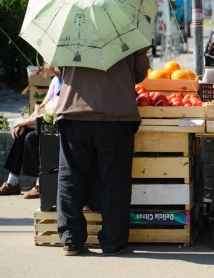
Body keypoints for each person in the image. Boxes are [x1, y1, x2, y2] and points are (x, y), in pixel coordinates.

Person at [54, 47, 150, 256]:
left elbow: (57, 69)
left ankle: (71, 239)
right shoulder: (126, 29)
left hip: (73, 112)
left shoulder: (70, 29)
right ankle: (113, 242)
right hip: (116, 116)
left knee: (70, 177)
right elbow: (139, 74)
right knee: (115, 179)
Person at [1, 64, 62, 198]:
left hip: (58, 126)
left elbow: (51, 113)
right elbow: (43, 107)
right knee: (21, 132)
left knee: (31, 138)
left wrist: (25, 122)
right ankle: (13, 182)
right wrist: (25, 122)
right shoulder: (54, 82)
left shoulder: (66, 83)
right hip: (46, 122)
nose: (44, 67)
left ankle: (41, 184)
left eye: (47, 63)